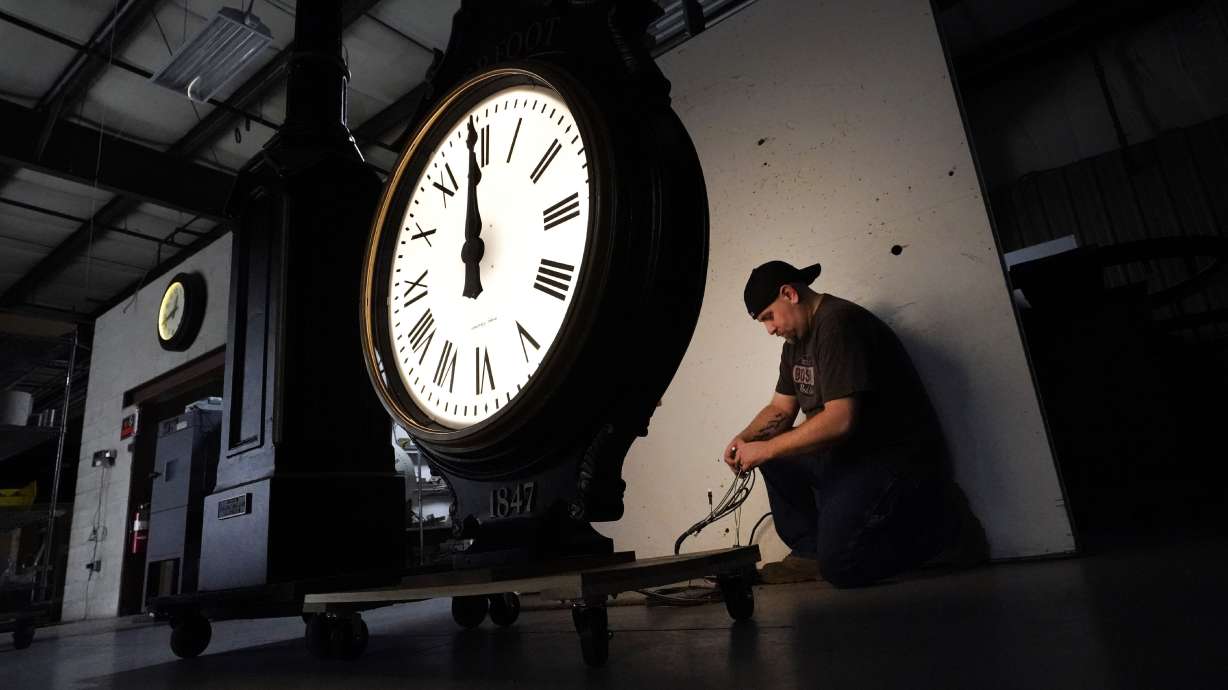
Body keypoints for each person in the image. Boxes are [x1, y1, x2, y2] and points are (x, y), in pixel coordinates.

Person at [724, 260, 985, 587]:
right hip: (847, 455)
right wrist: (744, 440)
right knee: (772, 458)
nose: (770, 329)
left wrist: (767, 448)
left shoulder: (839, 324)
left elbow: (839, 421)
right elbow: (780, 407)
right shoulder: (796, 342)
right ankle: (810, 551)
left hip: (892, 458)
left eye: (768, 317)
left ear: (789, 294)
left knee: (842, 569)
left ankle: (950, 533)